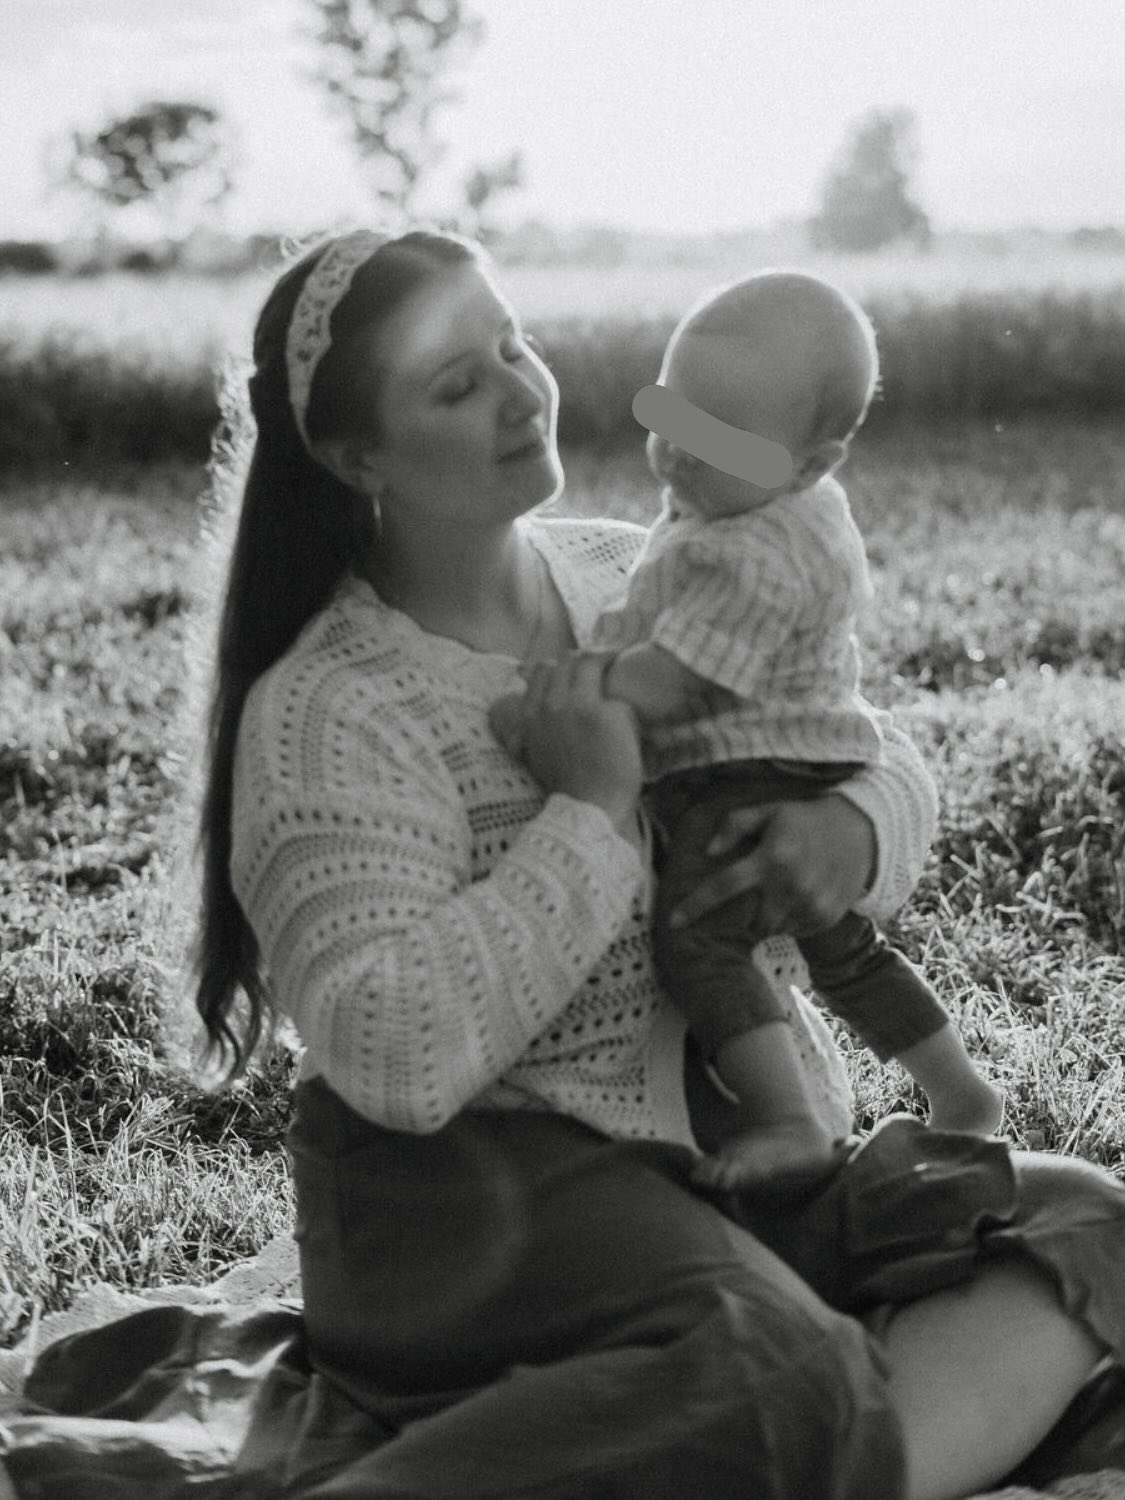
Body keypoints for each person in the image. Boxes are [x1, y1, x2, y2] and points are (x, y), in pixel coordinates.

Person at [180, 225, 1123, 1499]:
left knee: (1080, 1221)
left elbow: (852, 739)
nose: (521, 389)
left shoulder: (633, 565)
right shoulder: (331, 708)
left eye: (511, 341)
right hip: (467, 1205)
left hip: (716, 1167)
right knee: (779, 1365)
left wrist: (848, 829)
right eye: (458, 383)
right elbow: (392, 1054)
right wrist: (592, 809)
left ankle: (810, 1454)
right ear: (355, 456)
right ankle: (814, 1428)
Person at [517, 268, 1002, 1194]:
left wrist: (577, 691)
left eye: (714, 441)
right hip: (811, 753)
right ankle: (960, 1093)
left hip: (748, 769)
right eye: (669, 415)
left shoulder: (748, 554)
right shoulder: (756, 508)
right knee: (843, 947)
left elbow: (678, 683)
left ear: (813, 464)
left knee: (700, 936)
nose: (675, 457)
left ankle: (786, 1120)